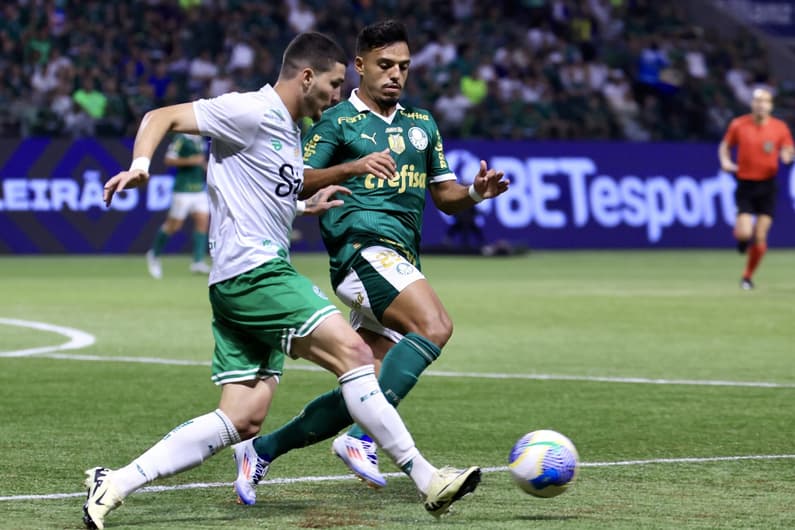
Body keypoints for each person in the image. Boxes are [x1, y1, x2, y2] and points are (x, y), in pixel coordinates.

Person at [83, 32, 480, 530]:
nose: (337, 95)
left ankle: (115, 482)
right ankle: (426, 478)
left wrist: (301, 204)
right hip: (256, 272)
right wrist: (140, 167)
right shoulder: (249, 109)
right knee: (355, 356)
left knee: (241, 419)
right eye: (335, 84)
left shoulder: (290, 131)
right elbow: (160, 116)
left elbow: (261, 185)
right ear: (308, 77)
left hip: (236, 281)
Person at [230, 20, 507, 503]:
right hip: (361, 252)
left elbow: (444, 195)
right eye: (385, 65)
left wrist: (475, 194)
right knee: (435, 325)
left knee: (364, 387)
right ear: (359, 66)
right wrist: (352, 167)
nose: (396, 74)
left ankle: (261, 450)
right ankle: (362, 439)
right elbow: (299, 179)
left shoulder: (422, 125)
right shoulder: (336, 121)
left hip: (400, 257)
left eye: (403, 66)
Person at [718, 87, 794, 290]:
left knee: (760, 235)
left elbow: (787, 148)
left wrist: (787, 155)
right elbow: (725, 146)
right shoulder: (739, 125)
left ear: (770, 105)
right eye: (757, 100)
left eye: (765, 101)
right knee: (744, 233)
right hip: (746, 184)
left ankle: (747, 277)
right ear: (752, 103)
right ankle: (742, 242)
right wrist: (725, 161)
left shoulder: (779, 127)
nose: (761, 105)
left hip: (768, 186)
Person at [145, 132, 212, 278]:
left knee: (202, 222)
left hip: (199, 189)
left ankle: (198, 262)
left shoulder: (200, 138)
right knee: (174, 226)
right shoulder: (181, 139)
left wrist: (206, 166)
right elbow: (169, 159)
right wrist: (191, 161)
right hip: (183, 189)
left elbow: (199, 161)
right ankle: (154, 254)